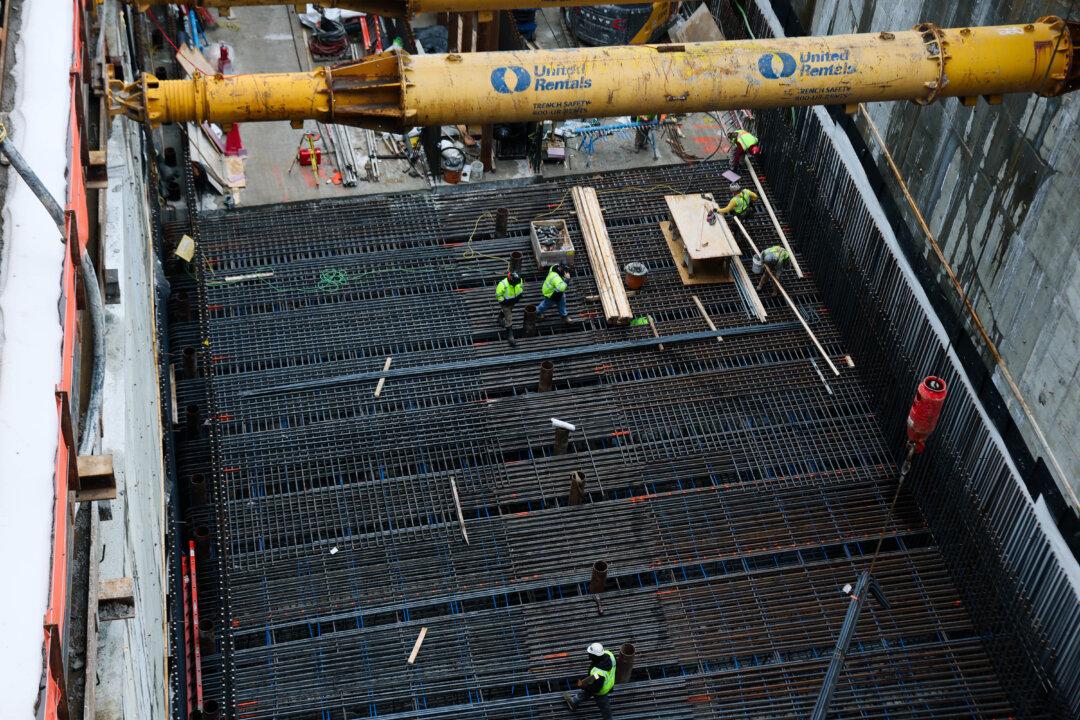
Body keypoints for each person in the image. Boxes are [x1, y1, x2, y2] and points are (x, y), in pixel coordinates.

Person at [564, 642, 616, 719]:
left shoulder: (598, 673)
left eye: (590, 654)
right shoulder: (609, 654)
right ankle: (573, 701)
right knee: (585, 693)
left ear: (595, 656)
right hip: (608, 682)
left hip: (601, 691)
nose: (588, 655)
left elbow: (595, 689)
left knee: (604, 706)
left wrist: (583, 686)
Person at [495, 270, 524, 346]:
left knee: (508, 311)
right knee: (509, 318)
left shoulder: (518, 280)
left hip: (513, 301)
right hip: (506, 303)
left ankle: (499, 318)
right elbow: (498, 295)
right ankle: (510, 336)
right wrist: (504, 301)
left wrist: (520, 294)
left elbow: (520, 287)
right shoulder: (503, 284)